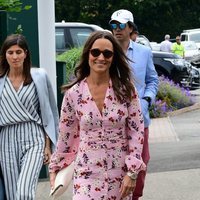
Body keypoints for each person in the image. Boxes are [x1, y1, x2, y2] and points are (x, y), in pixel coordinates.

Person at [49, 30, 146, 200]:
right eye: (96, 52)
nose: (101, 57)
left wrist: (132, 172)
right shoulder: (74, 94)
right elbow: (66, 136)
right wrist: (55, 168)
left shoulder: (126, 90)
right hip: (86, 174)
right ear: (88, 54)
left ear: (113, 57)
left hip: (119, 174)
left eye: (107, 53)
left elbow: (136, 132)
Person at [0, 34, 59, 199]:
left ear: (25, 53)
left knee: (24, 192)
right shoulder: (0, 80)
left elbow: (48, 112)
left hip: (33, 137)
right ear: (5, 55)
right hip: (6, 138)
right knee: (12, 194)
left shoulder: (39, 76)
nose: (14, 56)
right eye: (10, 52)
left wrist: (48, 146)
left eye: (18, 52)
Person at [109, 9, 159, 200]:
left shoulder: (144, 52)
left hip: (139, 119)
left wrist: (146, 100)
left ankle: (135, 197)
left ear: (130, 28)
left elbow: (152, 80)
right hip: (113, 120)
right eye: (113, 25)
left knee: (141, 162)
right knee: (116, 164)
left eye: (121, 25)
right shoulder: (106, 51)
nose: (117, 29)